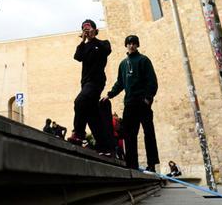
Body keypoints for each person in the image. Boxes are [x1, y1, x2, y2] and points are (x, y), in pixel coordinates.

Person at [103, 35, 159, 171]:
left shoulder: (144, 60)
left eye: (134, 43)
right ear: (126, 45)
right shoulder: (123, 64)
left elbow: (152, 81)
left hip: (143, 103)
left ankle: (151, 165)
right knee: (129, 135)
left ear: (137, 45)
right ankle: (132, 164)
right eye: (129, 43)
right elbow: (120, 83)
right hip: (129, 103)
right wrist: (110, 94)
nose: (131, 45)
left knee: (148, 133)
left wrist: (148, 98)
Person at [67, 19, 115, 156]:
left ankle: (79, 134)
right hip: (86, 83)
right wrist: (83, 41)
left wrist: (93, 38)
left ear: (94, 29)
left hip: (96, 81)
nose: (86, 30)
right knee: (93, 116)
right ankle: (105, 147)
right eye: (84, 28)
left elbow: (106, 51)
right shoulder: (84, 46)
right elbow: (77, 57)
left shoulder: (103, 43)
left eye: (88, 28)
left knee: (79, 101)